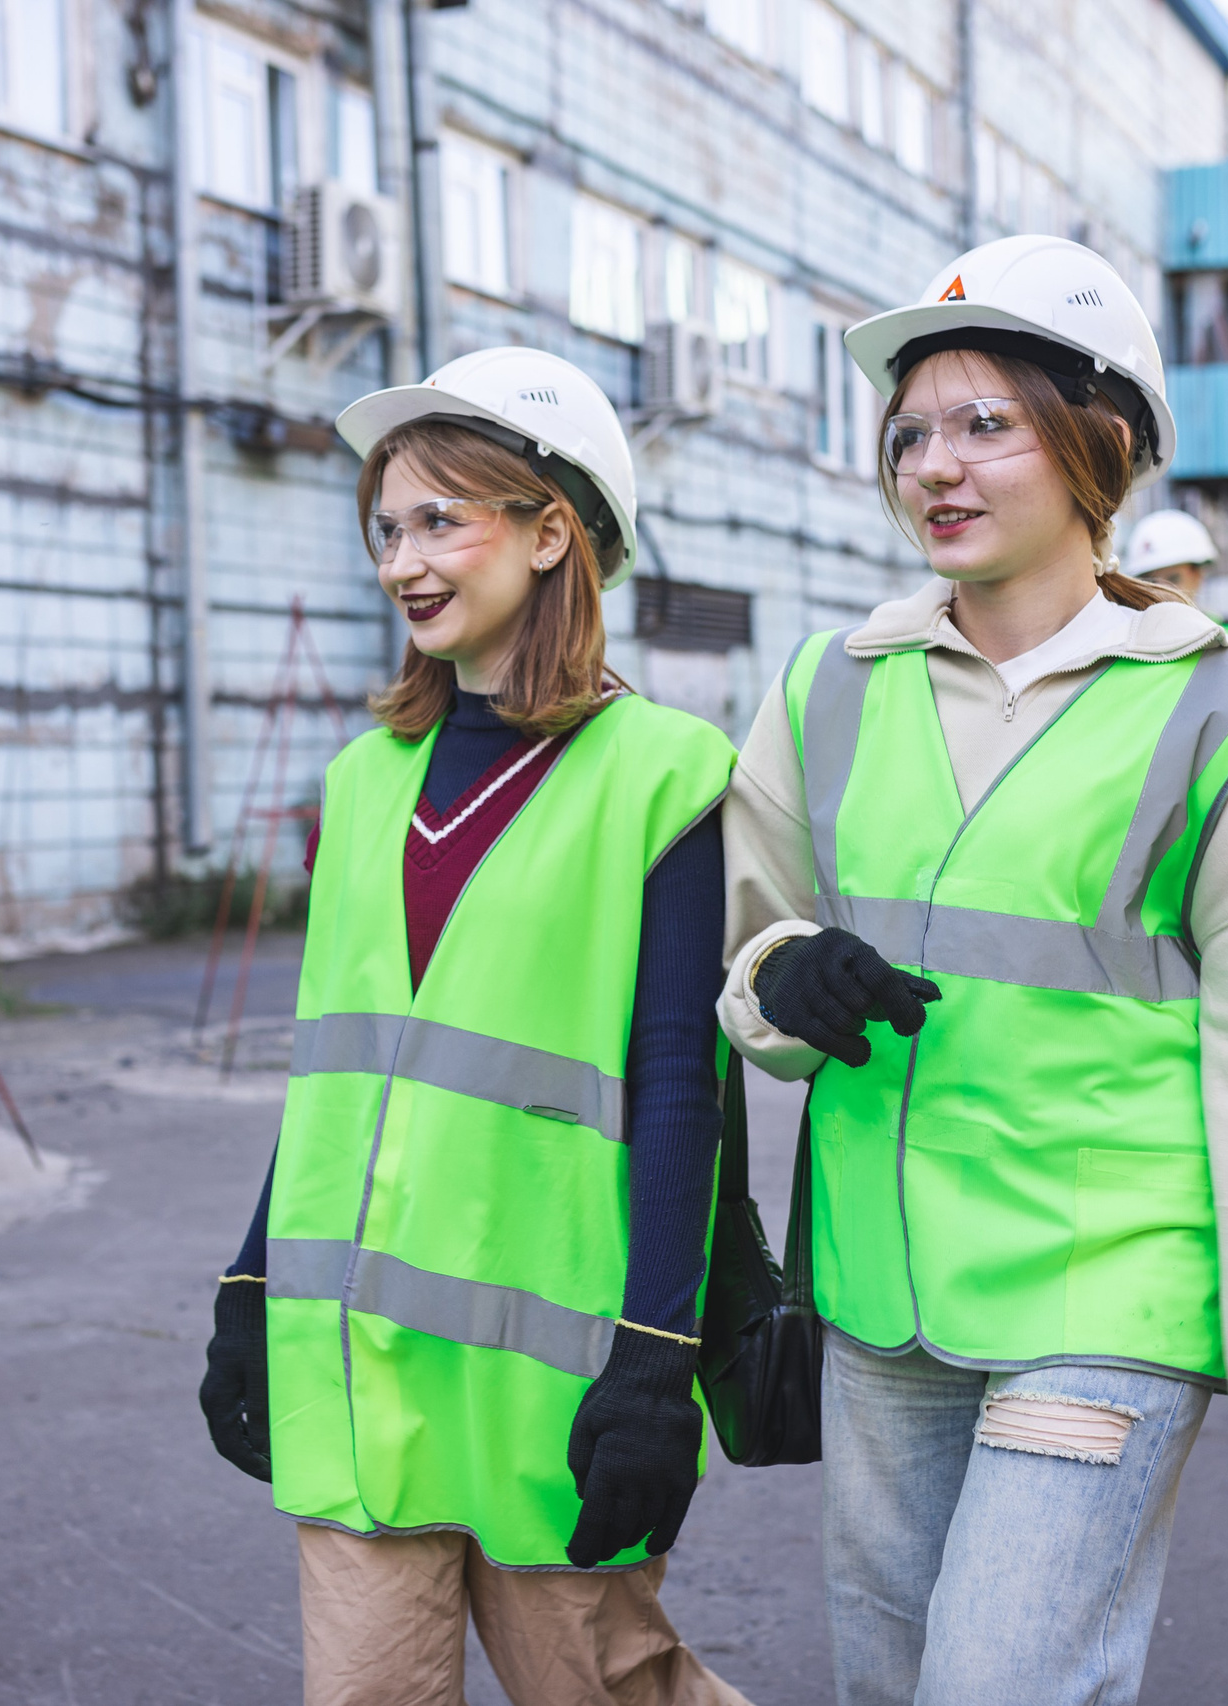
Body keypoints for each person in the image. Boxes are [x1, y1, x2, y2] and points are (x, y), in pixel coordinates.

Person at [718, 235, 1228, 1705]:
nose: (935, 466)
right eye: (911, 432)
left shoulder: (1223, 722)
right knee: (888, 1682)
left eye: (988, 424)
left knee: (995, 1686)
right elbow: (749, 945)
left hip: (1104, 1297)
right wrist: (782, 980)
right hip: (880, 1299)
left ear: (1098, 447)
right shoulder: (826, 688)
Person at [195, 347, 749, 1706]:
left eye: (445, 518)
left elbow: (683, 1083)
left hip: (549, 1387)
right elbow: (337, 1068)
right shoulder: (364, 778)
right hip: (358, 1364)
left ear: (553, 531)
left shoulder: (664, 774)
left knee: (610, 1688)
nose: (405, 559)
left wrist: (659, 1358)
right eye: (387, 525)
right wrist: (250, 1283)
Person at [1122, 507, 1228, 640]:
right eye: (1150, 582)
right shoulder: (1125, 650)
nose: (1160, 592)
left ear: (1198, 575)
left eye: (1173, 579)